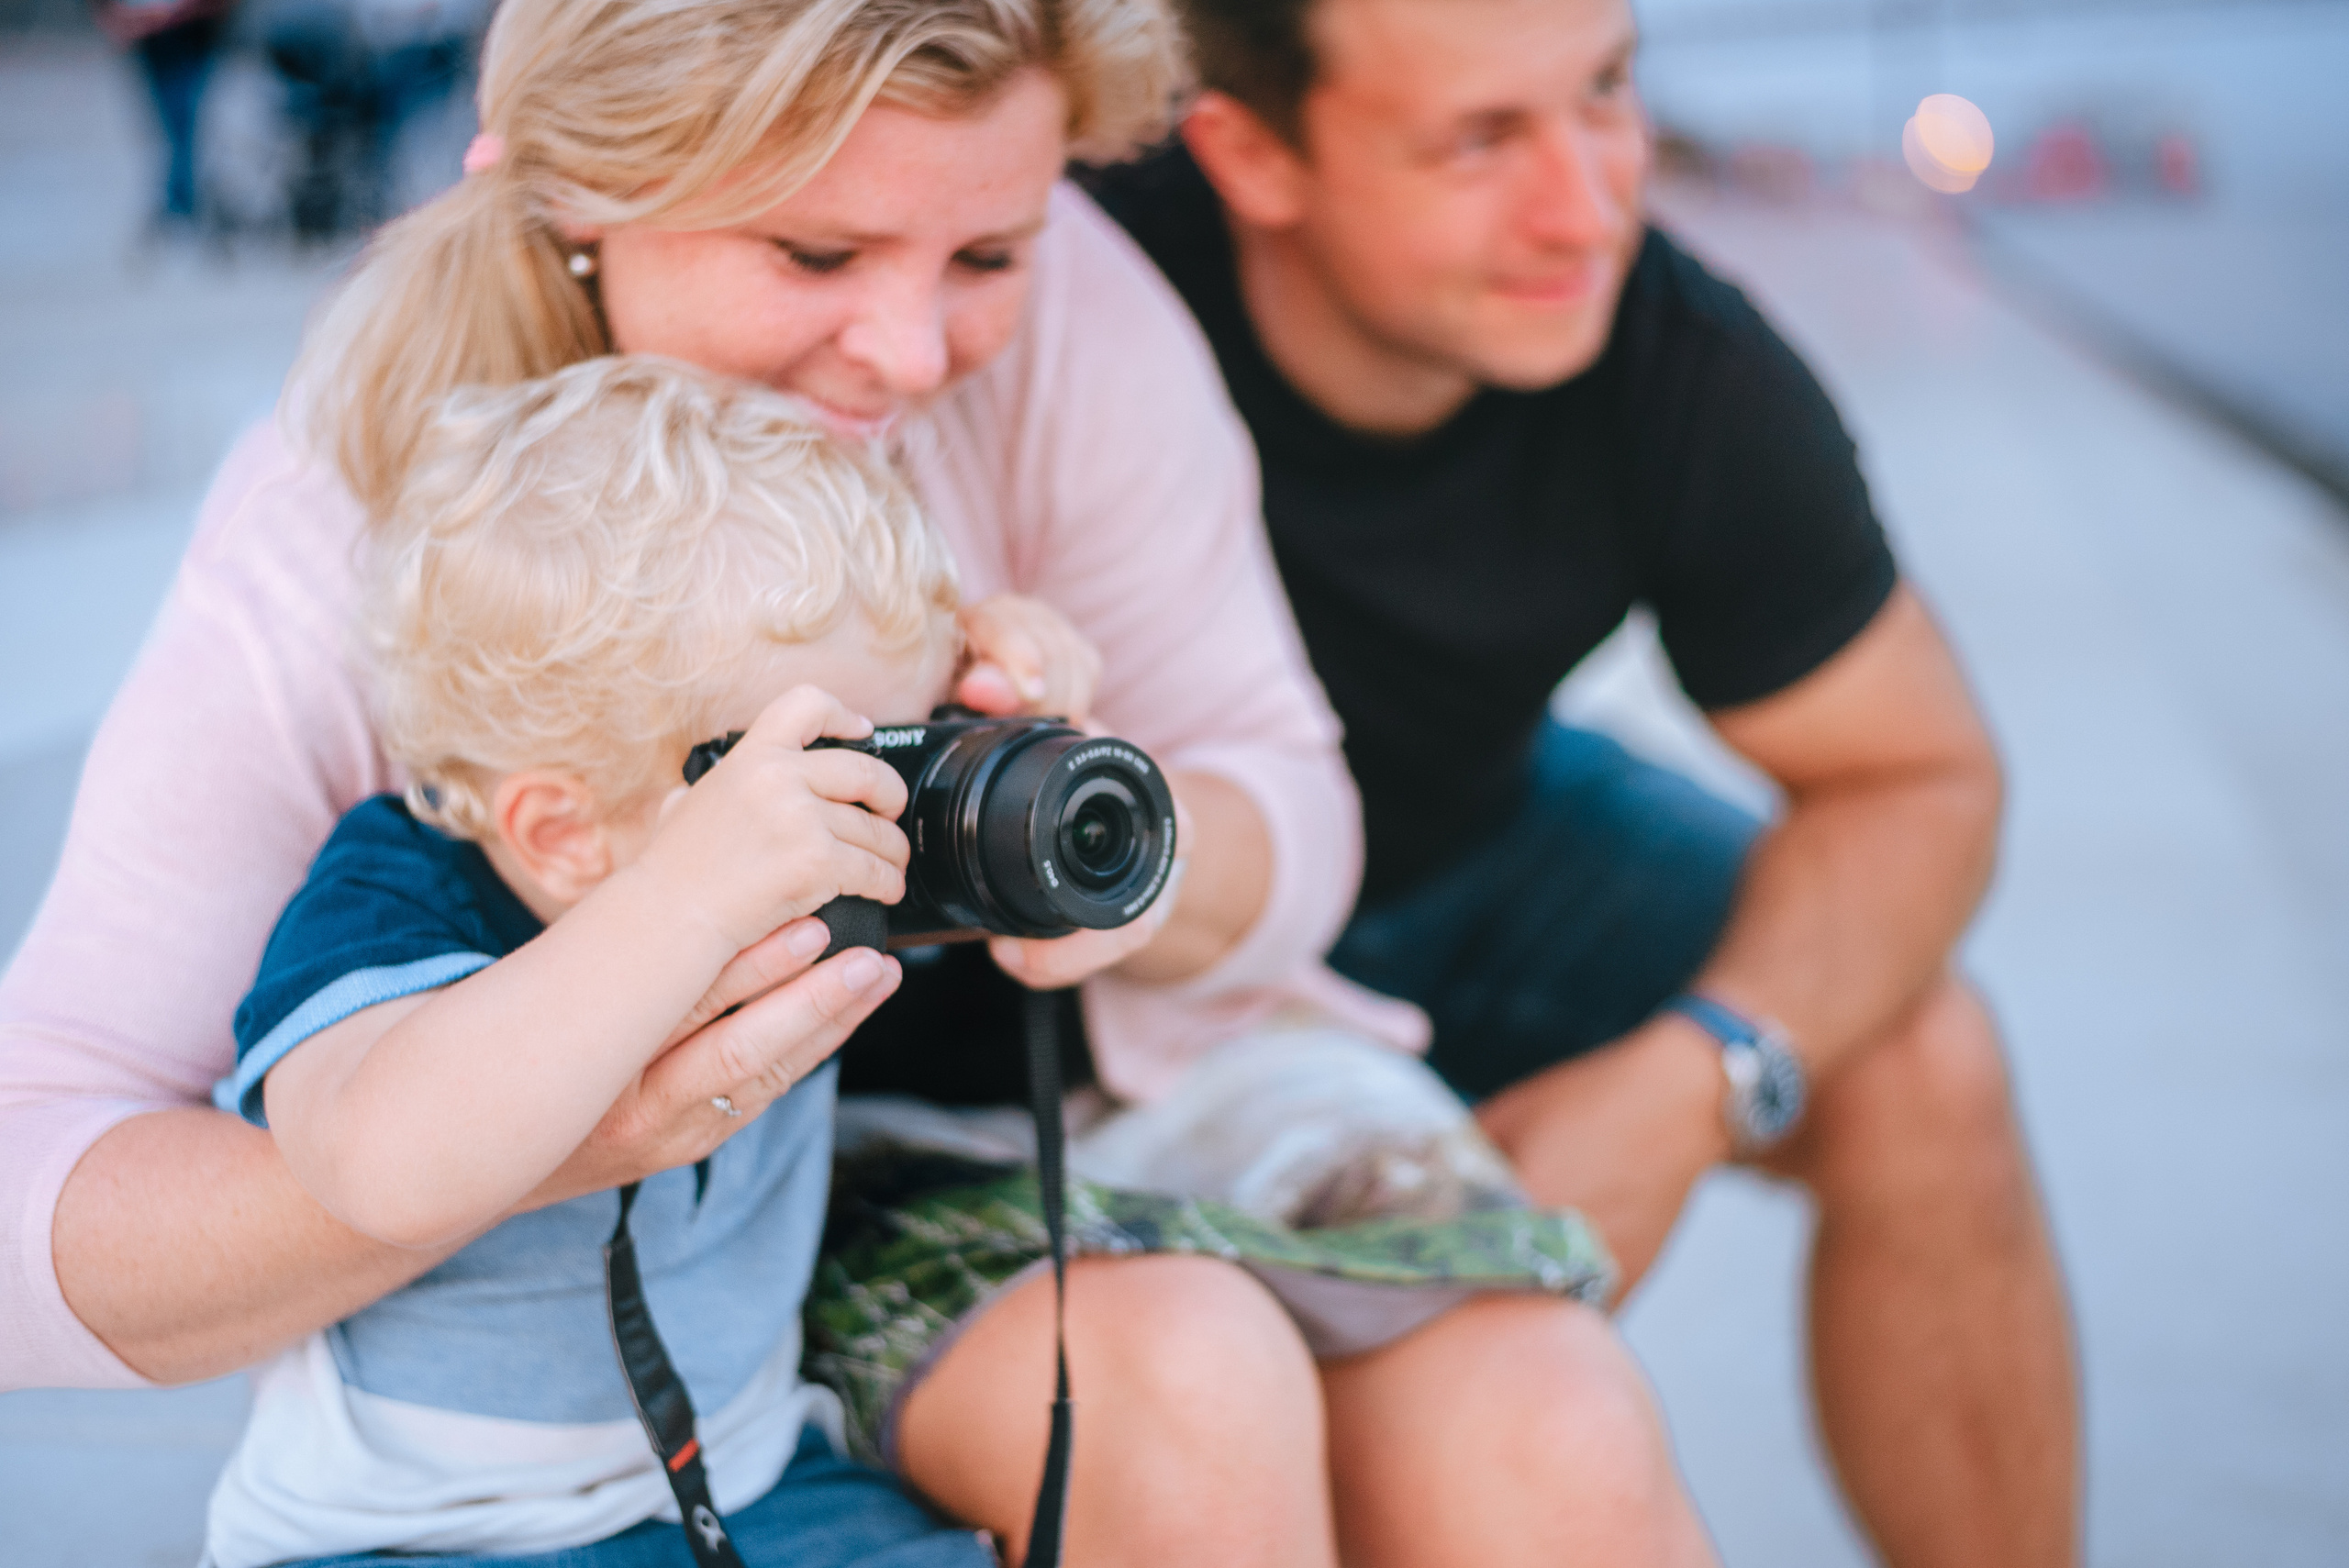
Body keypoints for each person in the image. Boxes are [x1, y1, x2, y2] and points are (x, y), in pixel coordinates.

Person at [0, 2, 1713, 1564]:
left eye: (987, 250)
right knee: (1175, 1383)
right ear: (573, 194)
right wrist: (543, 1110)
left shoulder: (1075, 321)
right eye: (814, 248)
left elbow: (1293, 808)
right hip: (706, 1257)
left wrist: (1072, 827)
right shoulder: (354, 527)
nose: (907, 347)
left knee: (1542, 1418)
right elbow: (38, 1194)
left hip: (1062, 1092)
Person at [1087, 0, 2081, 1562]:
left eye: (1606, 90)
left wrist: (1696, 1071)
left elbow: (1919, 775)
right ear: (1250, 153)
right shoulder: (1052, 280)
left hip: (1472, 835)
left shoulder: (1669, 352)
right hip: (1111, 929)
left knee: (1922, 1053)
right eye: (1481, 139)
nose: (1591, 198)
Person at [204, 356, 983, 1567]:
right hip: (407, 1537)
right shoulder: (401, 893)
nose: (881, 817)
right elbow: (378, 1164)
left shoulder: (831, 878)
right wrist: (683, 901)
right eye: (824, 777)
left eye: (904, 752)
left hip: (752, 1475)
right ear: (560, 834)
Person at [90, 0, 234, 234]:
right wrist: (111, 16)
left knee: (183, 118)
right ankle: (183, 202)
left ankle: (182, 203)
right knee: (173, 120)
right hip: (152, 31)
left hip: (191, 27)